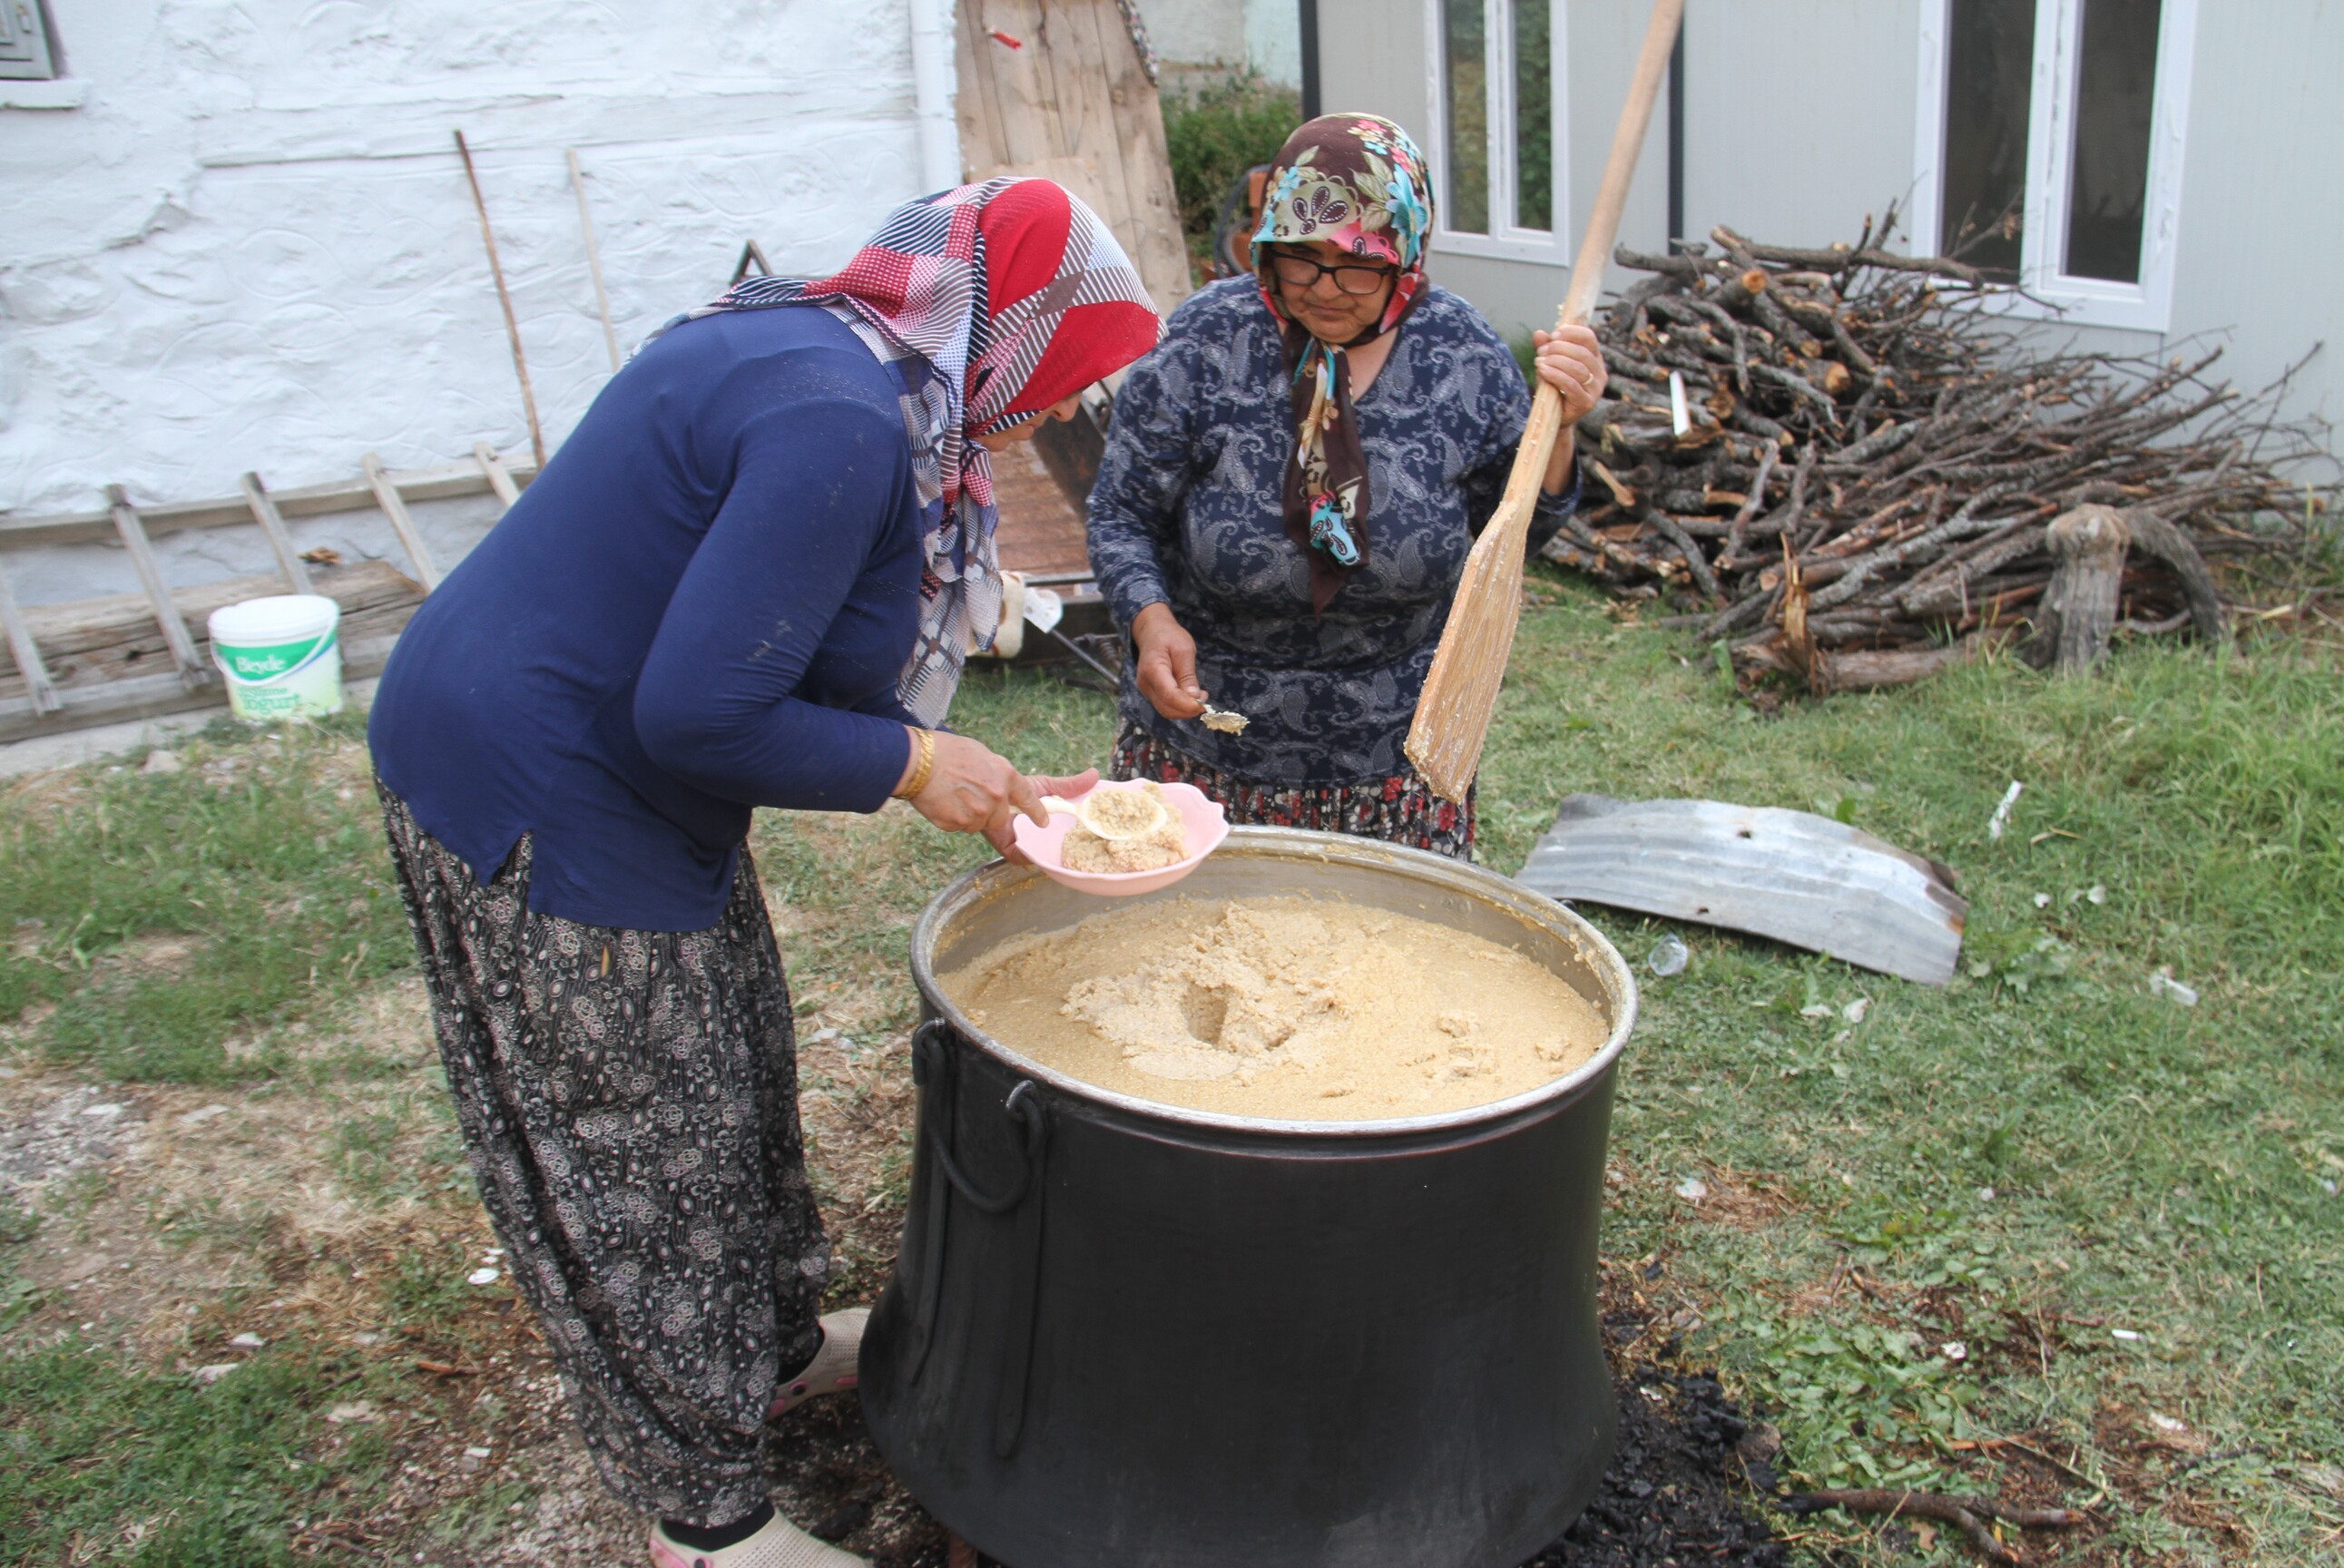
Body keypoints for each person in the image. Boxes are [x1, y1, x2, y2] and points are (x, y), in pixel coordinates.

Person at [367, 179, 1161, 1568]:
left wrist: (971, 771)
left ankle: (778, 1350)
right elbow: (702, 712)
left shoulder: (829, 350)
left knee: (731, 1062)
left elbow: (754, 645)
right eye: (1057, 381)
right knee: (644, 1143)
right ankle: (709, 1521)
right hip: (551, 782)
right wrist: (916, 769)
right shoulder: (840, 428)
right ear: (1005, 335)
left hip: (618, 753)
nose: (1046, 420)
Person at [1087, 113, 1607, 858]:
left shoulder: (1463, 356)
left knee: (1379, 969)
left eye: (1358, 264)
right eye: (1299, 259)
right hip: (1203, 751)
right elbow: (1120, 512)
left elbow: (1516, 531)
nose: (1325, 289)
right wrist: (1147, 617)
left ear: (1408, 256)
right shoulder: (1204, 344)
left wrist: (1560, 426)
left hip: (1398, 767)